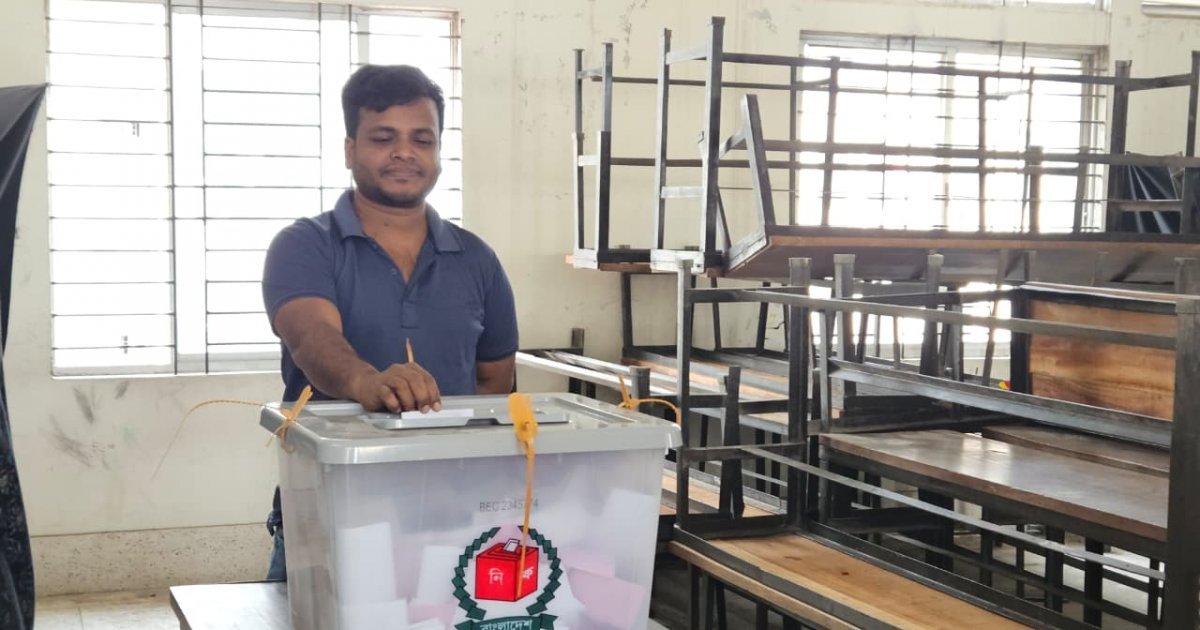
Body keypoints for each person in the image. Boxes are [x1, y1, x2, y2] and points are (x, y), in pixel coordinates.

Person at [259, 65, 519, 580]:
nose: (405, 153)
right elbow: (312, 338)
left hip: (453, 522)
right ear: (350, 149)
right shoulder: (305, 246)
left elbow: (494, 382)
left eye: (422, 139)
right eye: (383, 138)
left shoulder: (477, 259)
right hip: (330, 514)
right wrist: (368, 383)